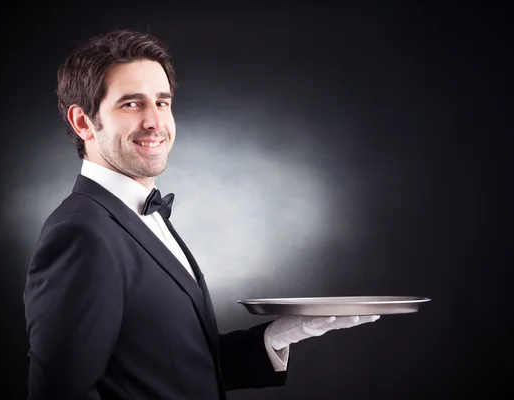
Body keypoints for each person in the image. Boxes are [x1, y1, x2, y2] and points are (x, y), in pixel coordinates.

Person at [23, 28, 380, 400]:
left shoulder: (141, 214)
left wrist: (277, 336)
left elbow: (169, 365)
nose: (154, 122)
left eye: (162, 102)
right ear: (83, 122)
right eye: (131, 104)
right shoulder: (81, 234)